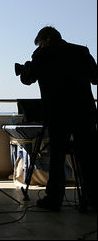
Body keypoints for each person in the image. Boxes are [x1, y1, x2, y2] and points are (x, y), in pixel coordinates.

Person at [17, 26, 97, 211]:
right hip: (85, 112)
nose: (40, 45)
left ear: (46, 39)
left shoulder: (42, 54)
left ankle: (54, 199)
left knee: (57, 157)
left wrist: (28, 66)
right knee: (89, 156)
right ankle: (93, 199)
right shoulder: (81, 51)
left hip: (58, 114)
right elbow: (95, 77)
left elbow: (27, 79)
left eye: (41, 42)